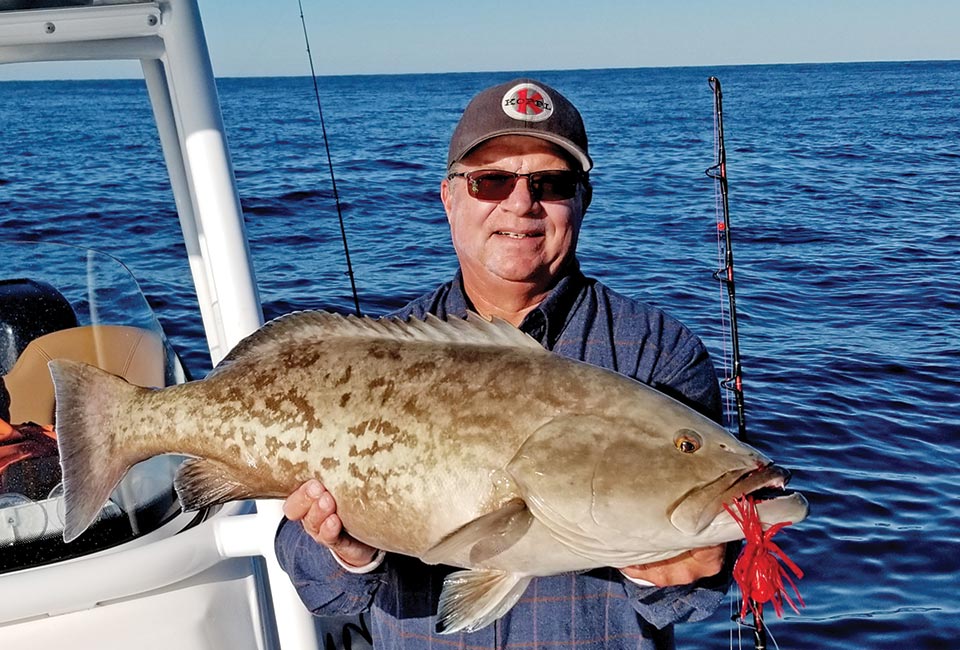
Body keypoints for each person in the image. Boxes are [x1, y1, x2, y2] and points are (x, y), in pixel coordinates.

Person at [276, 78, 733, 649]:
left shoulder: (656, 352)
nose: (521, 203)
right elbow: (313, 576)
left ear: (583, 199)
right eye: (490, 181)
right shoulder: (376, 357)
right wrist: (349, 551)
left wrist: (679, 565)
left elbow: (692, 594)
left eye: (551, 182)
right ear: (449, 198)